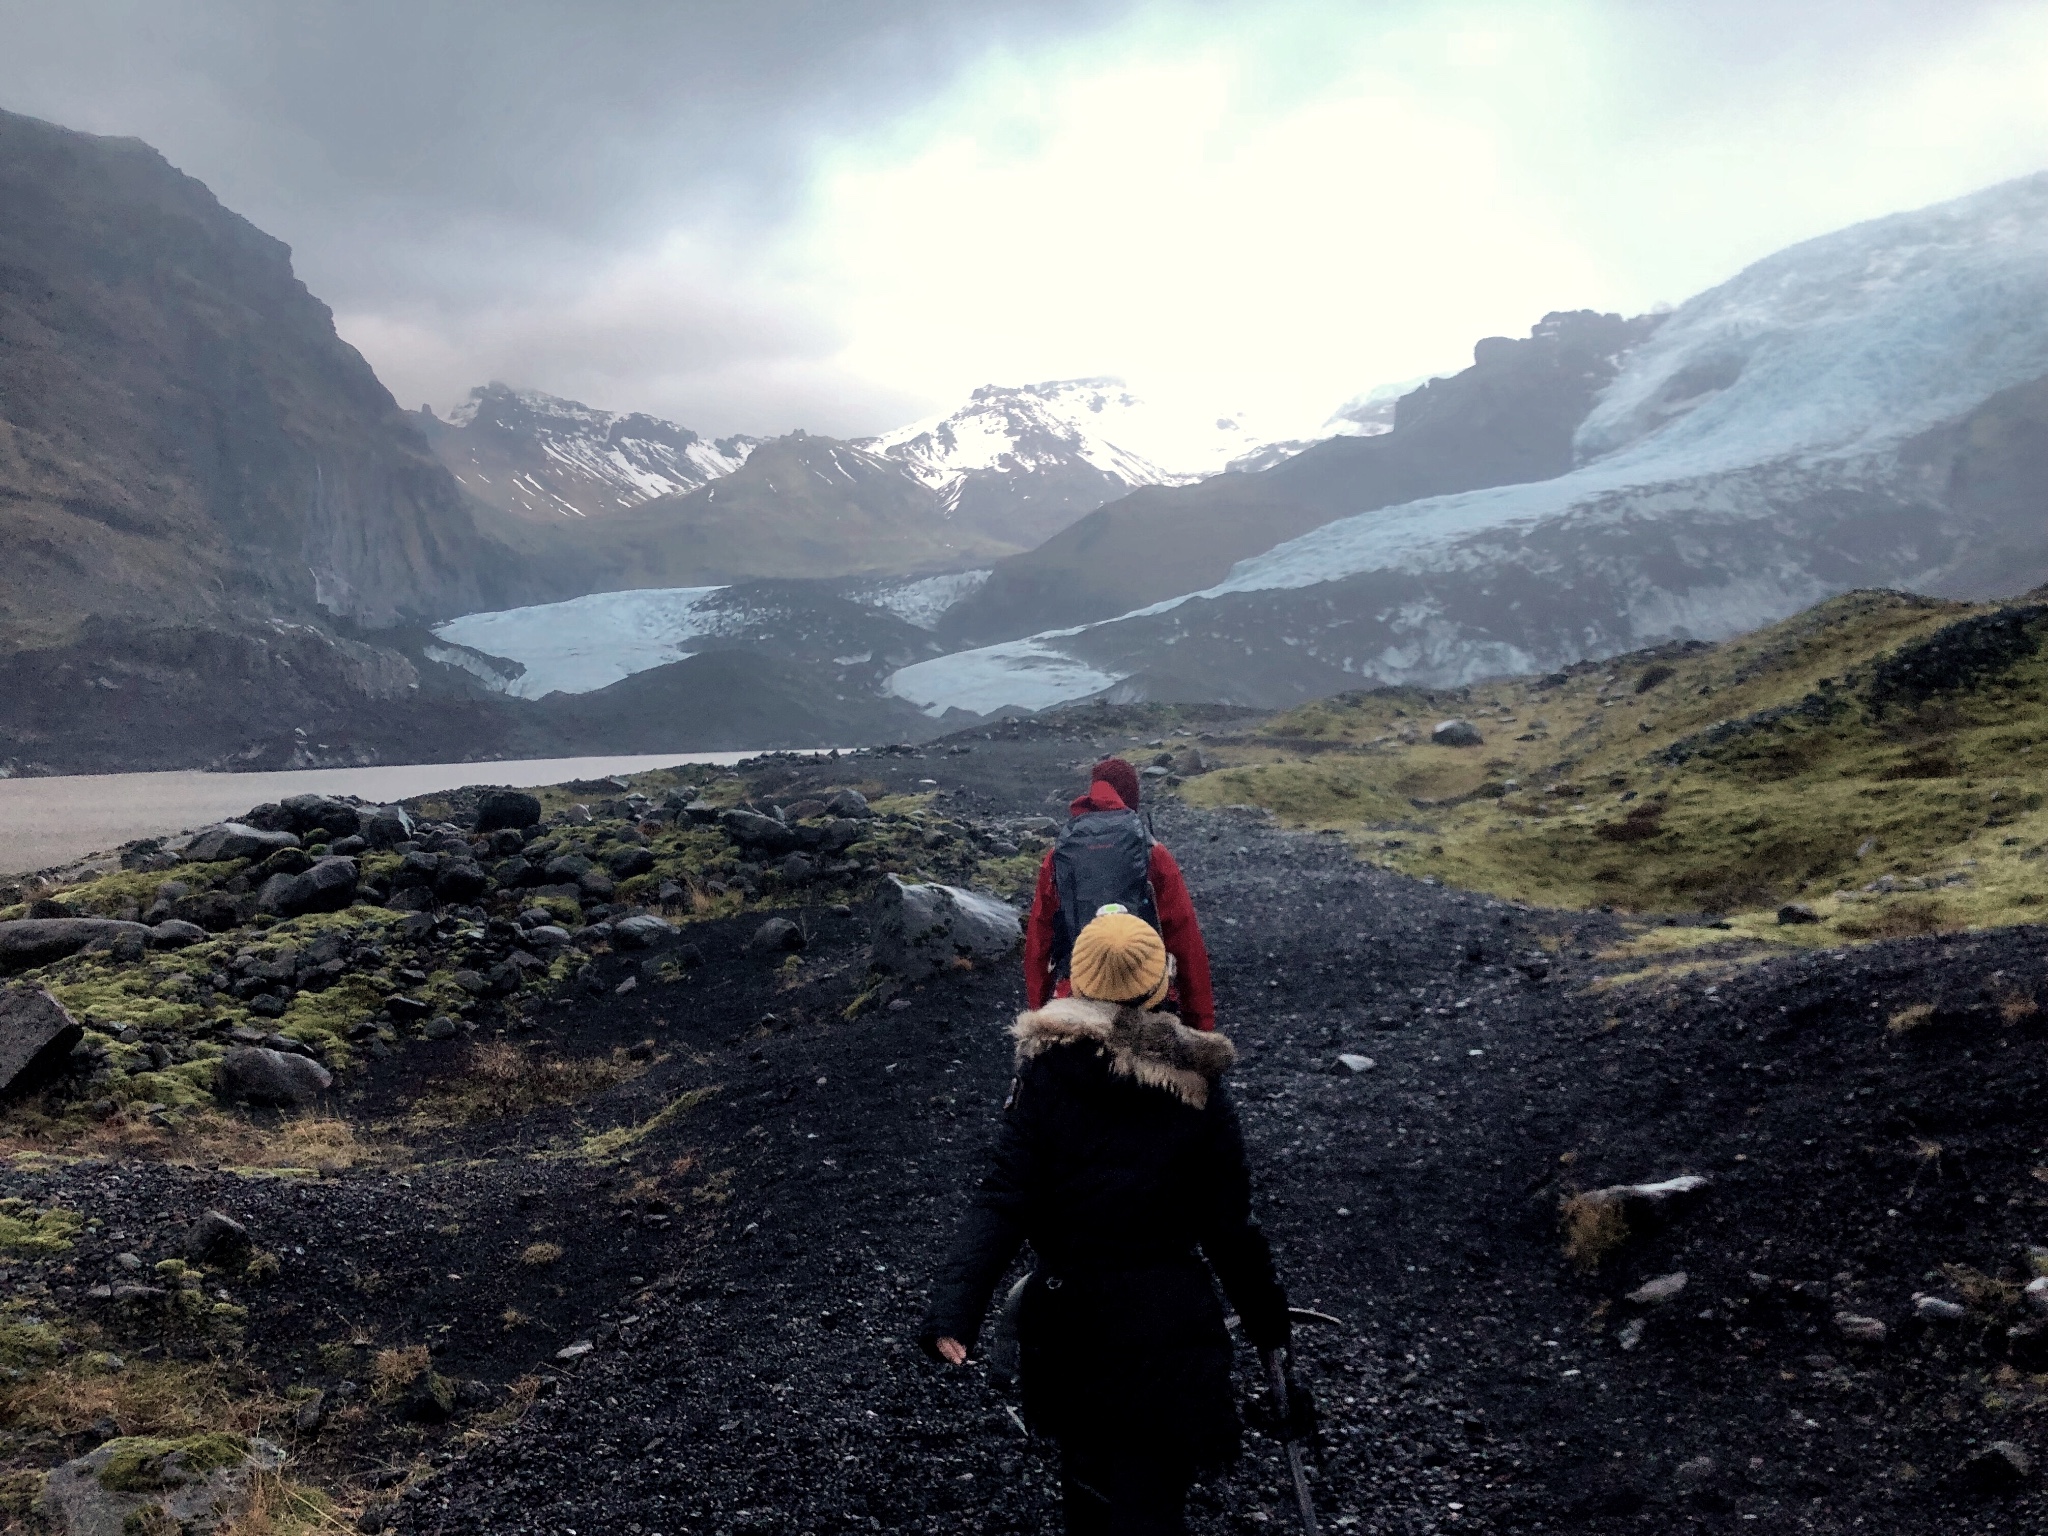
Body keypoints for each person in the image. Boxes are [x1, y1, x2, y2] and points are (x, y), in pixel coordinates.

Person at [921, 911, 1294, 1535]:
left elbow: (1003, 1199)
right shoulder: (1198, 1085)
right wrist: (1267, 1323)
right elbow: (1230, 1227)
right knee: (1155, 1502)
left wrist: (955, 1307)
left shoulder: (1043, 1075)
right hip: (1170, 1324)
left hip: (1072, 1329)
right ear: (1160, 985)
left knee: (1088, 1491)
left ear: (1076, 984)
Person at [1024, 757, 1216, 1033]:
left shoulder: (1059, 856)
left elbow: (1038, 945)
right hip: (1147, 994)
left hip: (1078, 994)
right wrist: (1201, 1026)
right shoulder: (1152, 853)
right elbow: (1185, 942)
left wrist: (1040, 1013)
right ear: (1131, 799)